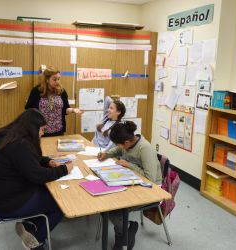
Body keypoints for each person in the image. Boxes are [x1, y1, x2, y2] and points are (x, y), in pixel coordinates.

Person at [0, 108, 73, 250]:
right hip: (9, 203)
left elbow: (27, 160)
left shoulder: (9, 136)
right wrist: (65, 169)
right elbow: (38, 176)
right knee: (61, 204)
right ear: (32, 129)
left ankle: (30, 225)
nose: (42, 133)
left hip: (4, 193)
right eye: (41, 130)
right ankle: (36, 241)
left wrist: (47, 161)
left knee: (50, 194)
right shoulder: (19, 145)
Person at [97, 121, 162, 250]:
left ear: (127, 142)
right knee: (106, 206)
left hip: (150, 188)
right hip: (131, 181)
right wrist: (107, 154)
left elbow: (150, 179)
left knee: (115, 212)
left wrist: (128, 165)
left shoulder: (145, 148)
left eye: (120, 144)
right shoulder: (127, 143)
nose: (118, 146)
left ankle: (124, 234)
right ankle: (126, 230)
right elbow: (117, 149)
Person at [25, 67, 82, 137]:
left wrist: (73, 110)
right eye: (54, 79)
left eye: (59, 79)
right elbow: (28, 109)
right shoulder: (36, 91)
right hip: (41, 131)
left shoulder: (62, 91)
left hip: (58, 130)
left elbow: (65, 109)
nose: (57, 81)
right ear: (47, 80)